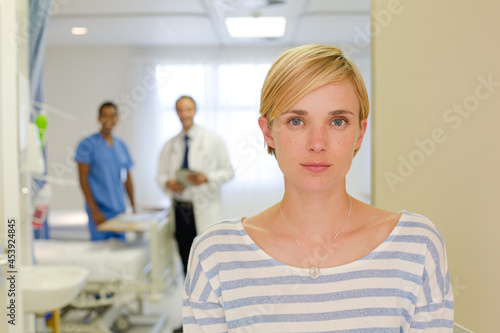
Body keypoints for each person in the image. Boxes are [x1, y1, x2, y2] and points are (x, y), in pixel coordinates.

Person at [182, 44, 454, 332]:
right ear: (268, 132)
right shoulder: (216, 255)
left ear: (359, 134)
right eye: (296, 121)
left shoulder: (416, 245)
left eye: (338, 121)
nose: (317, 143)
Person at [157, 95, 234, 277]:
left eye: (188, 109)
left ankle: (212, 304)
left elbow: (229, 171)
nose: (184, 114)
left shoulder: (213, 140)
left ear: (195, 111)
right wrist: (169, 183)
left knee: (209, 262)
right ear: (176, 112)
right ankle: (190, 302)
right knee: (187, 262)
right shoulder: (170, 145)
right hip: (181, 211)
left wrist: (206, 178)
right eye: (180, 110)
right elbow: (160, 175)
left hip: (205, 208)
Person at [75, 101, 135, 241]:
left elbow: (128, 179)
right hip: (99, 210)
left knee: (121, 253)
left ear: (117, 119)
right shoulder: (87, 145)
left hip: (119, 209)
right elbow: (83, 180)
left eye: (112, 116)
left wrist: (133, 208)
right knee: (101, 256)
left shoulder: (121, 146)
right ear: (99, 118)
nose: (109, 120)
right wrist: (94, 211)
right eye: (105, 116)